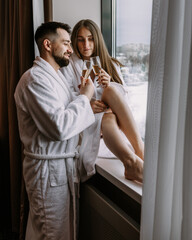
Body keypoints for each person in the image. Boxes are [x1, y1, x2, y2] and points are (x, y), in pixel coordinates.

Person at [14, 21, 96, 240]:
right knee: (50, 234)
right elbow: (60, 127)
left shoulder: (55, 77)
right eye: (67, 43)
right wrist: (85, 97)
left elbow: (67, 112)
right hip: (47, 170)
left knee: (52, 231)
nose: (71, 49)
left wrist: (85, 100)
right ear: (48, 45)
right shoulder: (35, 79)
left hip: (59, 167)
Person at [60, 19, 144, 176]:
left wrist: (109, 83)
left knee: (110, 95)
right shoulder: (68, 66)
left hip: (111, 127)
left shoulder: (110, 64)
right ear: (75, 42)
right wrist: (87, 104)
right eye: (81, 39)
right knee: (108, 109)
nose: (86, 45)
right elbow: (64, 96)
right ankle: (135, 160)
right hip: (86, 124)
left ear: (97, 39)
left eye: (90, 39)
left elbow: (126, 103)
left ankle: (136, 158)